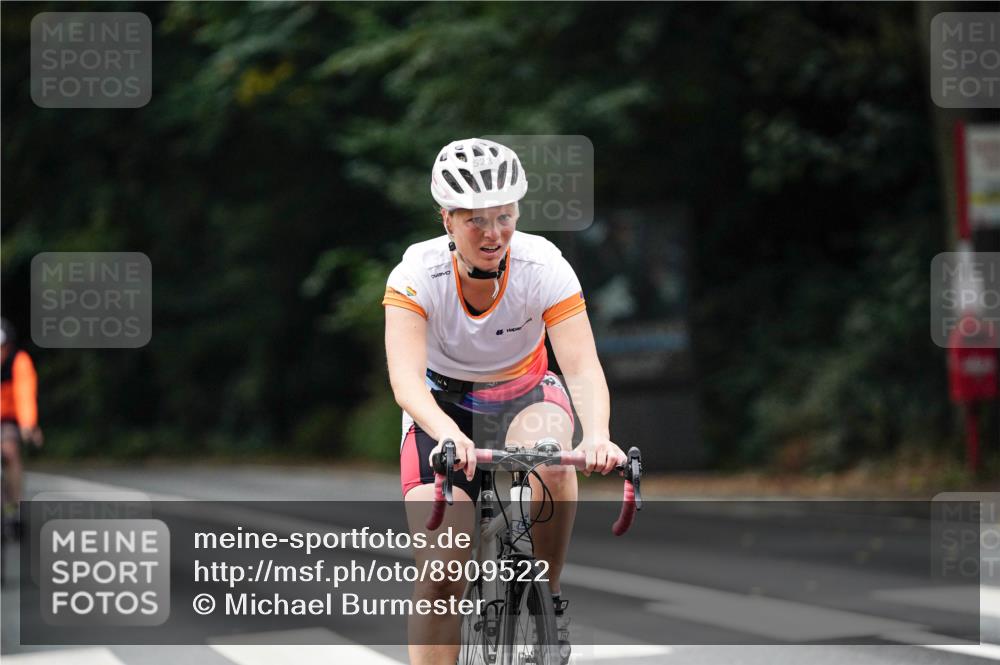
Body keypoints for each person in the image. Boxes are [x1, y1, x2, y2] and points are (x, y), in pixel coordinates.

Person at [383, 138, 626, 665]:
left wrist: (599, 433)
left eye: (505, 216)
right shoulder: (415, 275)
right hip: (441, 411)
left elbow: (581, 365)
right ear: (446, 219)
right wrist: (446, 432)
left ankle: (547, 597)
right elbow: (407, 383)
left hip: (525, 395)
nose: (493, 234)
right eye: (476, 220)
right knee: (443, 569)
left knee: (551, 460)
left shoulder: (545, 265)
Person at [0, 318, 43, 520]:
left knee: (9, 450)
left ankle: (16, 506)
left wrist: (28, 424)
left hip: (9, 419)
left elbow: (25, 393)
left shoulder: (19, 360)